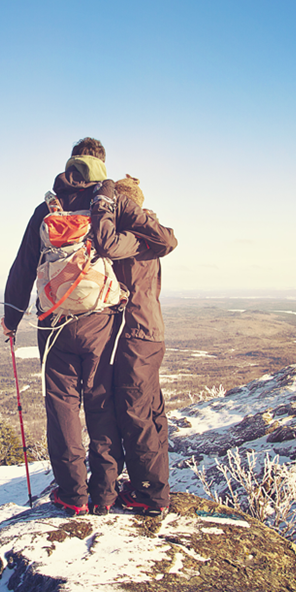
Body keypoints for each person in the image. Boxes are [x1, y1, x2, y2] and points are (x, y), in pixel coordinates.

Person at [2, 137, 133, 516]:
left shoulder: (46, 209)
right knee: (101, 402)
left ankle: (72, 495)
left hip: (54, 323)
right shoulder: (107, 208)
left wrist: (11, 320)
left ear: (69, 166)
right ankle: (105, 493)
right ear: (102, 167)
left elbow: (23, 268)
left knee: (61, 405)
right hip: (100, 321)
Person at [90, 174, 178, 517]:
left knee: (135, 415)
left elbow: (106, 243)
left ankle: (150, 496)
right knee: (152, 415)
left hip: (134, 336)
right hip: (152, 334)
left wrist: (105, 203)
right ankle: (154, 488)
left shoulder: (132, 239)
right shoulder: (150, 235)